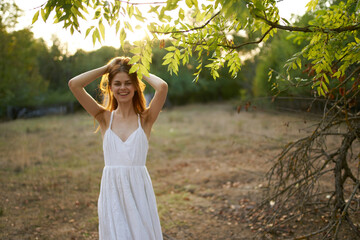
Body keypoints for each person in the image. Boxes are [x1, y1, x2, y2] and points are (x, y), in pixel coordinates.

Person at [68, 57, 168, 240]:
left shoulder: (145, 119)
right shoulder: (104, 118)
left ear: (136, 87)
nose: (123, 88)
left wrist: (139, 70)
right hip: (112, 191)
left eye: (128, 83)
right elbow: (74, 84)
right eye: (117, 83)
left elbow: (162, 87)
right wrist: (107, 68)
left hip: (139, 191)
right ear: (110, 88)